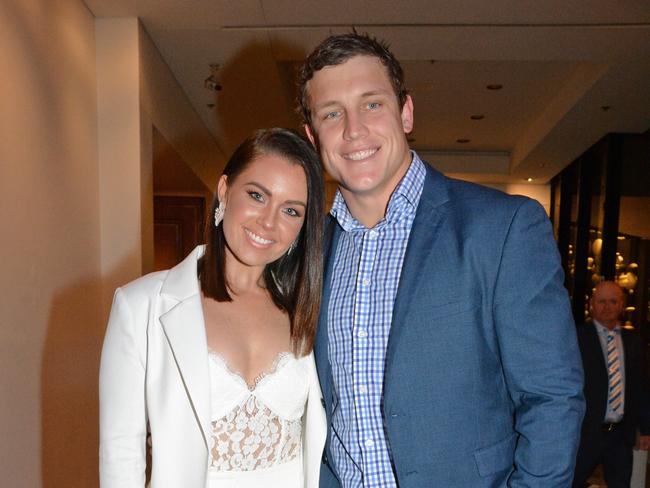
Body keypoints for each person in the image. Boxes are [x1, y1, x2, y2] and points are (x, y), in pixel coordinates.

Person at [297, 33, 585, 487]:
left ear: (406, 112)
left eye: (372, 104)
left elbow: (552, 398)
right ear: (313, 137)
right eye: (332, 113)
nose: (353, 130)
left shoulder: (503, 228)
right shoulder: (308, 251)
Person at [99, 128, 327, 488]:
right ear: (224, 190)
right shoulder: (140, 306)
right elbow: (121, 456)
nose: (269, 222)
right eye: (256, 195)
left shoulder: (309, 309)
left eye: (290, 210)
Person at [573, 281, 650, 488]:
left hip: (620, 434)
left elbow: (641, 387)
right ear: (591, 304)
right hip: (585, 431)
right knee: (569, 481)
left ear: (622, 305)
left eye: (613, 301)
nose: (607, 307)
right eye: (601, 301)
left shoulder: (633, 342)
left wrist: (645, 428)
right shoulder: (577, 338)